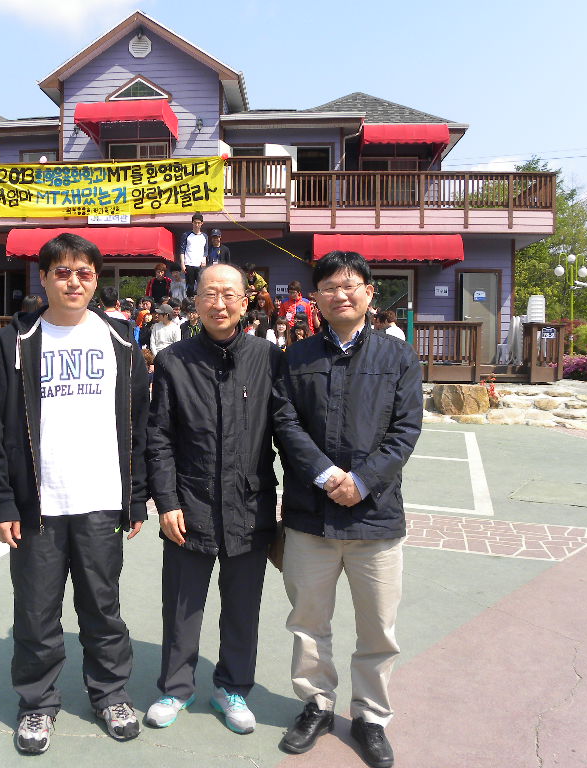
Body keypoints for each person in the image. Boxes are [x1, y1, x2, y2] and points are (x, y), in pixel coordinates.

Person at [0, 233, 150, 755]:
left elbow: (139, 426)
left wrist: (135, 497)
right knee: (36, 613)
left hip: (101, 500)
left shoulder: (121, 340)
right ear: (44, 278)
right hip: (39, 506)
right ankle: (37, 703)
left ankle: (110, 694)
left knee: (102, 608)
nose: (74, 282)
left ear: (96, 280)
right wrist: (2, 502)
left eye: (84, 273)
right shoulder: (15, 340)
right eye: (63, 272)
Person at [272, 250, 423, 768]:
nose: (340, 294)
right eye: (329, 286)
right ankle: (316, 705)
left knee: (378, 627)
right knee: (308, 622)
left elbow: (406, 429)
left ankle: (370, 716)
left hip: (375, 518)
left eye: (350, 284)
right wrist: (326, 475)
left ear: (369, 293)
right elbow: (285, 423)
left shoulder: (397, 356)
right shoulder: (296, 357)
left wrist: (361, 481)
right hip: (310, 517)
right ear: (315, 297)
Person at [144, 263, 282, 735]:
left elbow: (287, 431)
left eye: (228, 294)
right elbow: (159, 437)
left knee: (242, 606)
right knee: (182, 605)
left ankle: (232, 687)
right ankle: (175, 687)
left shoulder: (268, 358)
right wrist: (166, 502)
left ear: (245, 302)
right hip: (190, 503)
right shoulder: (174, 361)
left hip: (250, 505)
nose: (219, 304)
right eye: (209, 294)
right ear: (195, 302)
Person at [177, 213, 208, 297]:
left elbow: (205, 250)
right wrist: (182, 264)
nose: (197, 225)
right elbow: (182, 250)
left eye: (199, 223)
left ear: (202, 223)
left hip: (200, 265)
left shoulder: (204, 236)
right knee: (190, 286)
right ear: (192, 223)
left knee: (201, 285)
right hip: (189, 264)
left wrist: (204, 259)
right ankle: (189, 301)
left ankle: (200, 301)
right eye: (195, 223)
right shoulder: (186, 235)